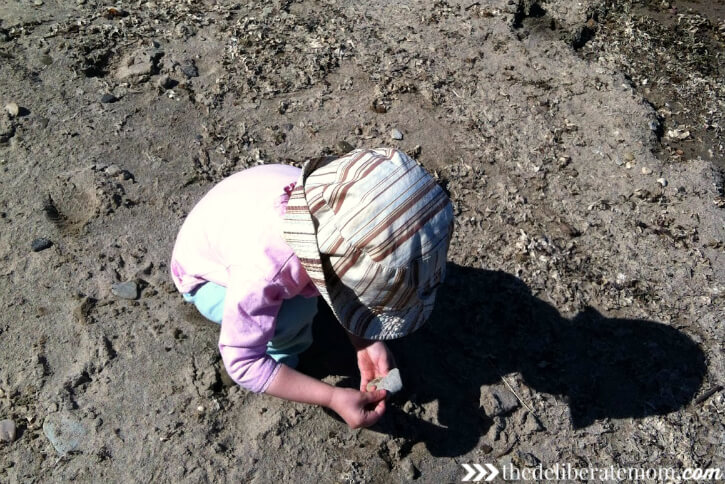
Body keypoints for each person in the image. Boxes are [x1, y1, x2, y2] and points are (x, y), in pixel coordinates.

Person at [170, 148, 454, 428]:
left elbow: (336, 269)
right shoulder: (266, 271)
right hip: (205, 276)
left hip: (235, 215)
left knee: (307, 295)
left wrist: (363, 340)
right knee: (293, 314)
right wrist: (330, 396)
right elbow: (243, 363)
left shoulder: (333, 198)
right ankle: (282, 356)